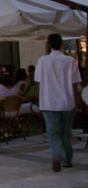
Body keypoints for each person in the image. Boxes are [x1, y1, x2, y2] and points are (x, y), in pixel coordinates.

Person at [34, 33, 81, 172]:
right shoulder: (70, 60)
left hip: (49, 101)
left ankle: (56, 154)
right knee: (66, 132)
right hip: (67, 101)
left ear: (49, 45)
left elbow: (39, 81)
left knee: (53, 132)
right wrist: (75, 99)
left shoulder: (42, 61)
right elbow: (74, 83)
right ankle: (67, 159)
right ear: (62, 44)